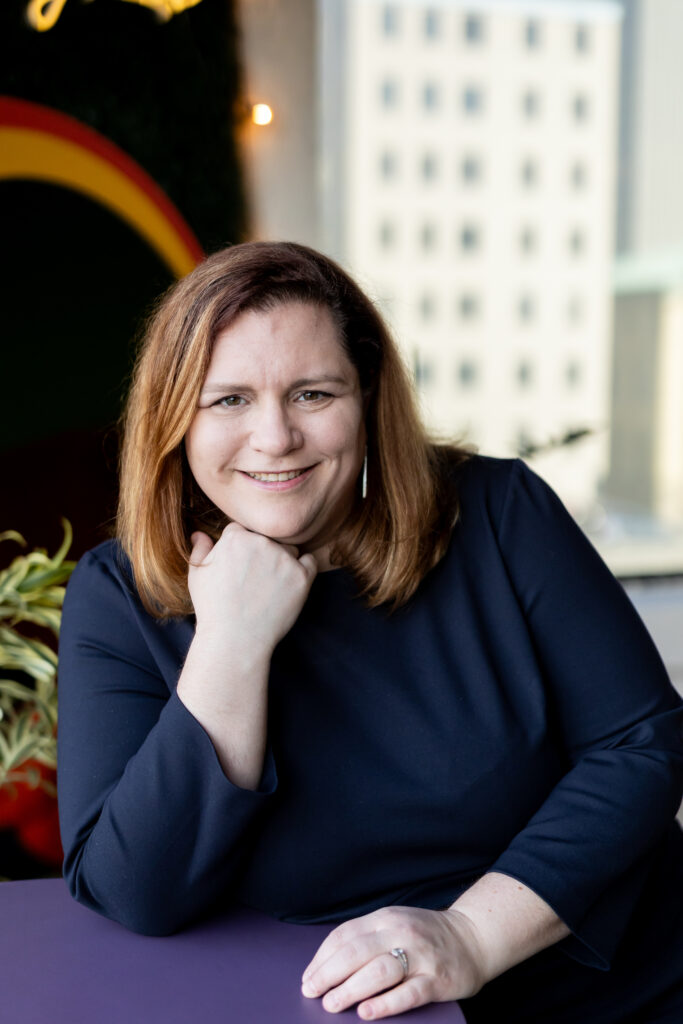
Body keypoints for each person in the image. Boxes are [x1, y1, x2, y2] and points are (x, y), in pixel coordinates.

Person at [58, 241, 683, 1023]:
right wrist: (231, 643)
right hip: (348, 1012)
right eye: (228, 400)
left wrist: (470, 935)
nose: (275, 436)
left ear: (366, 397)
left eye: (312, 394)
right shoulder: (119, 594)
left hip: (612, 992)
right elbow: (133, 891)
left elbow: (641, 747)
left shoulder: (498, 513)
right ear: (173, 416)